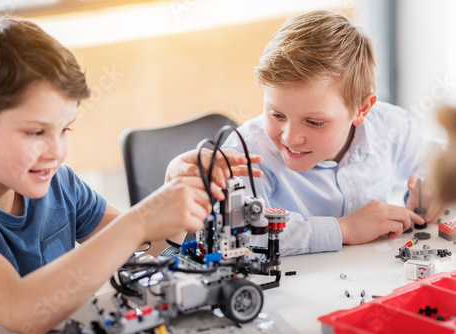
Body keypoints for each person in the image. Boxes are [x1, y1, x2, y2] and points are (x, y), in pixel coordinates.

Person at [0, 17, 260, 333]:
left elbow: (140, 254)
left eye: (65, 129)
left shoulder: (60, 183)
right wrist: (140, 219)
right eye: (35, 132)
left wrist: (172, 194)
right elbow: (23, 310)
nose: (56, 151)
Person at [171, 10, 446, 256]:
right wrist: (343, 229)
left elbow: (435, 160)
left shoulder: (391, 127)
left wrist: (432, 184)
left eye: (314, 122)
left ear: (361, 109)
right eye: (277, 115)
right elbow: (238, 231)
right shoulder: (247, 152)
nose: (290, 137)